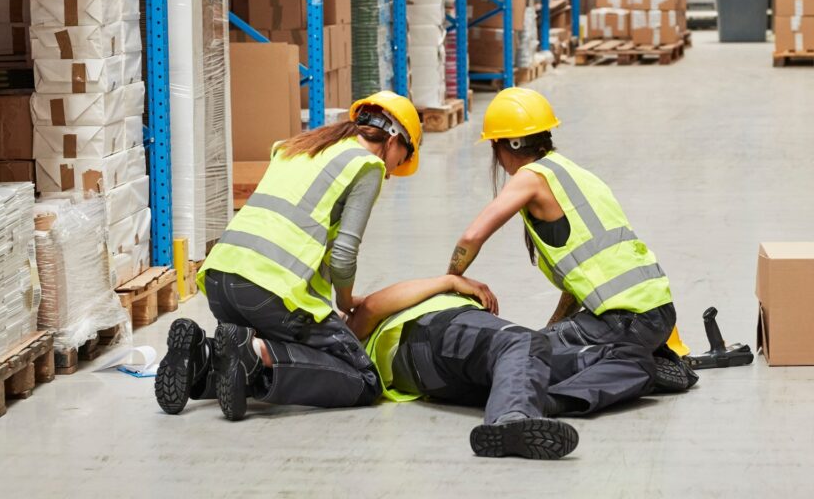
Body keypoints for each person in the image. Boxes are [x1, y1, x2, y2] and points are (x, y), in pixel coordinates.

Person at [154, 91, 423, 421]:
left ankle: (202, 357)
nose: (395, 170)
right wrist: (346, 300)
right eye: (403, 159)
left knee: (285, 352)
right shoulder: (366, 166)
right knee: (363, 379)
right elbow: (342, 256)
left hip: (221, 282)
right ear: (395, 139)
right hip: (269, 292)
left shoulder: (300, 147)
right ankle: (254, 353)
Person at [445, 88, 697, 408]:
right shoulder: (574, 174)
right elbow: (581, 280)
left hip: (623, 321)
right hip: (657, 315)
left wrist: (450, 280)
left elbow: (472, 236)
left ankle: (630, 368)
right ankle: (642, 358)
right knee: (538, 343)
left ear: (508, 145)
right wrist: (554, 330)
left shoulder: (531, 178)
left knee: (520, 358)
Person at [347, 275, 581, 460]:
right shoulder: (351, 330)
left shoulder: (350, 345)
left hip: (436, 380)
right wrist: (451, 281)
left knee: (596, 360)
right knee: (522, 341)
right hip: (430, 335)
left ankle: (543, 401)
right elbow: (371, 305)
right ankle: (511, 418)